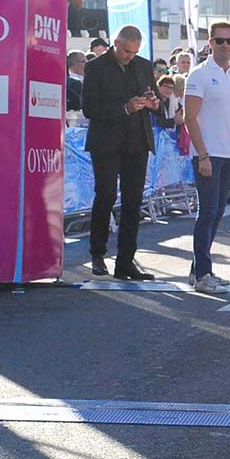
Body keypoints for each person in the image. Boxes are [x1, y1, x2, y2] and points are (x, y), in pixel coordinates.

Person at [82, 25, 159, 281]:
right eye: (126, 51)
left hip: (137, 142)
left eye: (134, 52)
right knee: (105, 196)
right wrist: (124, 108)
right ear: (115, 42)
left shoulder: (144, 66)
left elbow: (156, 101)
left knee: (132, 202)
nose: (129, 56)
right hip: (106, 142)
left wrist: (153, 102)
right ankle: (97, 253)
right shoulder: (95, 67)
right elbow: (89, 109)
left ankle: (126, 262)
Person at [184, 21, 230, 294]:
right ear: (210, 43)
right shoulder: (199, 75)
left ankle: (199, 269)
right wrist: (203, 154)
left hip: (229, 155)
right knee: (207, 213)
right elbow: (189, 118)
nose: (226, 45)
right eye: (220, 40)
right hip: (208, 155)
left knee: (218, 213)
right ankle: (202, 275)